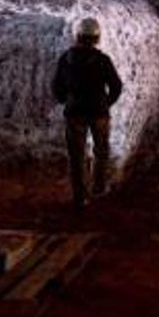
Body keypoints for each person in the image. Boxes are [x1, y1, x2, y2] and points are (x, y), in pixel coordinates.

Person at [53, 17, 123, 210]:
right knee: (101, 151)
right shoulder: (102, 60)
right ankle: (99, 189)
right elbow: (116, 86)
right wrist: (106, 103)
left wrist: (66, 101)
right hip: (99, 112)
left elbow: (57, 87)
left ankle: (80, 197)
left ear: (77, 36)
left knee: (76, 155)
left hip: (75, 112)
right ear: (96, 38)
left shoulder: (66, 59)